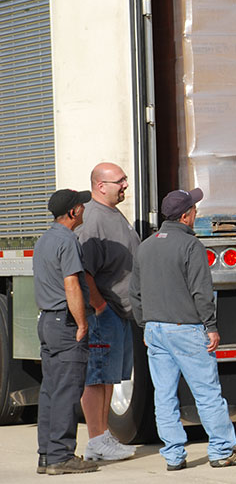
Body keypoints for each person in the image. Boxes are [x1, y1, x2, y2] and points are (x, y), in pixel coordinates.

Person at [130, 188, 236, 470]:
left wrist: (145, 324)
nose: (197, 212)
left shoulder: (145, 246)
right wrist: (211, 326)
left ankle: (173, 456)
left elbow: (134, 293)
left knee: (164, 394)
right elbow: (201, 291)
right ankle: (221, 451)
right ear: (185, 216)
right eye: (194, 209)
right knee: (207, 393)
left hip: (155, 330)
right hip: (187, 329)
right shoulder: (191, 246)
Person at [33, 189, 99, 475]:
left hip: (47, 321)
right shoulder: (68, 241)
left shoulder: (44, 240)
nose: (84, 208)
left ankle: (47, 455)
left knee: (50, 389)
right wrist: (82, 323)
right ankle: (61, 455)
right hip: (65, 322)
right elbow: (71, 283)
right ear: (72, 212)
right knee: (68, 390)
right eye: (81, 205)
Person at [77, 163, 140, 462]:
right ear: (101, 186)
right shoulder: (93, 219)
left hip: (120, 312)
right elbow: (84, 272)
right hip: (105, 313)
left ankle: (101, 440)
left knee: (109, 378)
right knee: (97, 376)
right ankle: (96, 439)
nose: (125, 185)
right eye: (120, 181)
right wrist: (101, 307)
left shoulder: (113, 213)